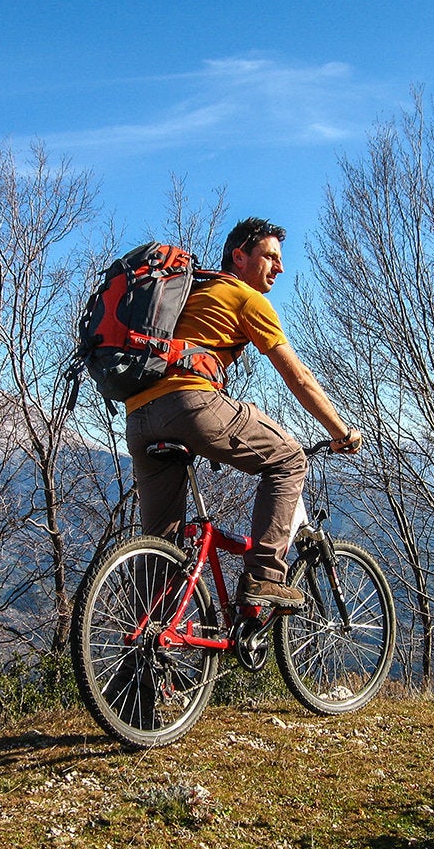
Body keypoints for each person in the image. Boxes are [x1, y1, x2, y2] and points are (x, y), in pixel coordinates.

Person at [124, 217, 362, 610]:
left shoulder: (195, 293)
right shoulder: (245, 298)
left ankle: (145, 656)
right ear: (239, 256)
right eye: (270, 256)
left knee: (161, 551)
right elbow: (297, 376)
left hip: (139, 418)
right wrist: (340, 430)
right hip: (190, 405)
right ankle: (265, 577)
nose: (279, 267)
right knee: (288, 457)